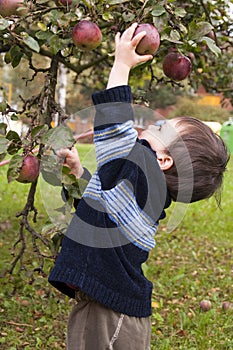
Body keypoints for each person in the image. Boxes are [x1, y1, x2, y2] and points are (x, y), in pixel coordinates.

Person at [48, 23, 229, 349]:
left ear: (162, 161)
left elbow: (116, 130)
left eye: (162, 128)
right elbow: (104, 211)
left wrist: (121, 65)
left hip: (106, 314)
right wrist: (78, 174)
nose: (153, 123)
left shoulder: (145, 175)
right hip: (119, 314)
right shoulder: (144, 196)